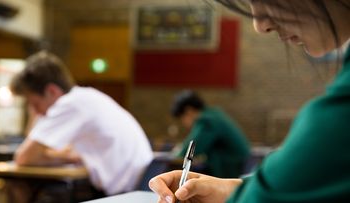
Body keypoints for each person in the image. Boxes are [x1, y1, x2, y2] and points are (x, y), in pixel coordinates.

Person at [149, 1, 350, 203]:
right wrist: (228, 190)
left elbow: (189, 149)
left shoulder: (208, 120)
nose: (259, 26)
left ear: (190, 111)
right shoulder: (215, 114)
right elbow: (313, 177)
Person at [10, 51, 153, 196]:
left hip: (125, 193)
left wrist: (35, 117)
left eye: (35, 104)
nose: (36, 112)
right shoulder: (85, 97)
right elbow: (60, 152)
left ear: (52, 91)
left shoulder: (70, 104)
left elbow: (23, 157)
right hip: (140, 185)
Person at [171, 90, 250, 178]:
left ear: (188, 111)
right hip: (234, 168)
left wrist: (177, 151)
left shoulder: (207, 120)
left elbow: (188, 151)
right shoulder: (214, 113)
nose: (184, 123)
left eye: (182, 118)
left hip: (228, 171)